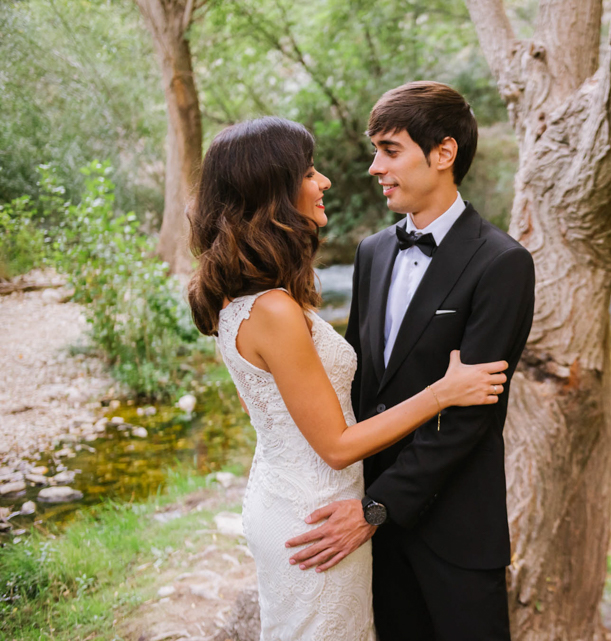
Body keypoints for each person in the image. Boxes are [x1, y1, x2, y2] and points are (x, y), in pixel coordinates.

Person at [186, 116, 510, 641]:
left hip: (295, 494)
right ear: (271, 189)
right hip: (317, 514)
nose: (326, 181)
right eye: (309, 172)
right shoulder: (273, 308)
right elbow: (336, 444)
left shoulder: (243, 294)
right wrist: (444, 391)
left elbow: (277, 401)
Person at [284, 82, 536, 640]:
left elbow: (469, 418)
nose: (375, 167)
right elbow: (361, 383)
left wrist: (376, 507)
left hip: (456, 534)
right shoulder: (372, 251)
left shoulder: (503, 263)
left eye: (389, 150)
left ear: (443, 154)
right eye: (376, 150)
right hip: (373, 533)